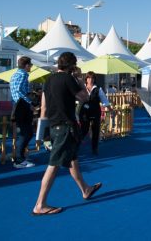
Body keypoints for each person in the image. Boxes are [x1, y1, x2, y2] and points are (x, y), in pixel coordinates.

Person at [33, 52, 102, 216]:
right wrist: (78, 79)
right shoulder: (69, 79)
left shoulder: (48, 80)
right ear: (72, 66)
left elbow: (43, 106)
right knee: (54, 165)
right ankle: (40, 204)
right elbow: (84, 97)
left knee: (72, 159)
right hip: (65, 125)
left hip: (53, 124)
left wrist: (41, 132)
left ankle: (85, 189)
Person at [9, 56, 35, 169]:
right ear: (27, 65)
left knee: (24, 133)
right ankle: (19, 159)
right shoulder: (23, 74)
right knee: (26, 133)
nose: (31, 67)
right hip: (21, 106)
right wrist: (29, 102)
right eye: (30, 65)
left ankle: (20, 157)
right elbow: (19, 90)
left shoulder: (14, 74)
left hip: (17, 105)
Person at [80, 71, 111, 155]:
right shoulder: (82, 88)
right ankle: (76, 145)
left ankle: (94, 148)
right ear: (86, 79)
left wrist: (111, 110)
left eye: (93, 78)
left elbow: (104, 101)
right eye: (89, 78)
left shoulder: (98, 89)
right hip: (84, 113)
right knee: (84, 129)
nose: (91, 80)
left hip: (95, 112)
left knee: (95, 131)